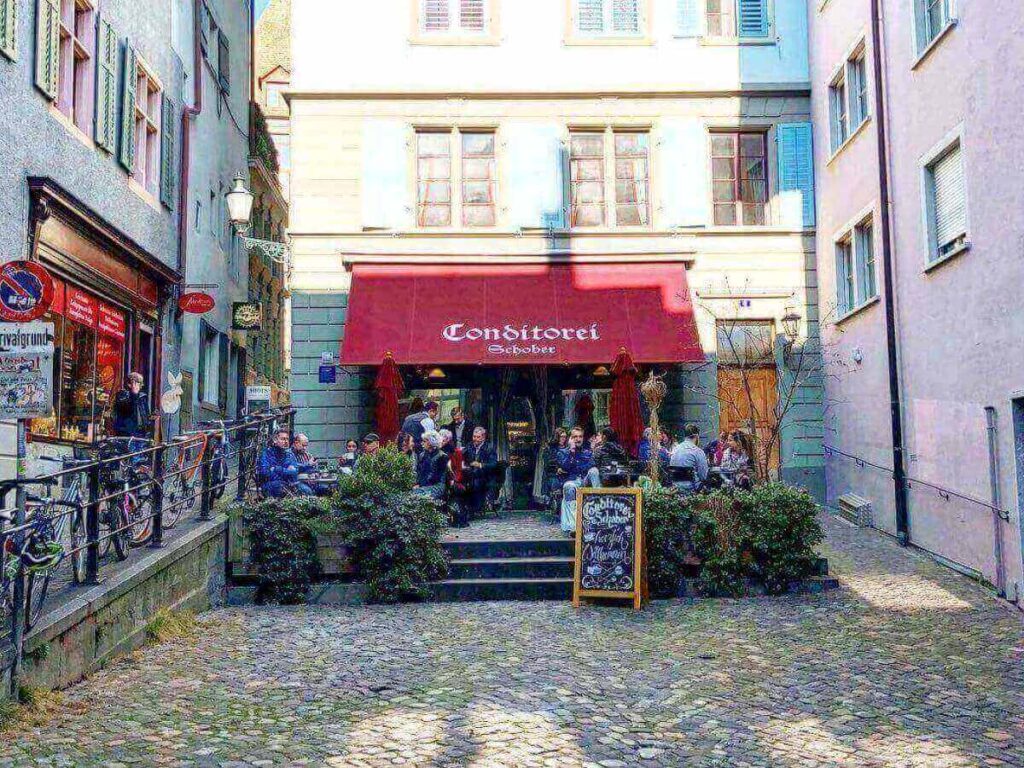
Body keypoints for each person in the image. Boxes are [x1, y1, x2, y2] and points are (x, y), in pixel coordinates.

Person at [557, 427, 598, 534]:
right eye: (575, 437)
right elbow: (565, 467)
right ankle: (574, 526)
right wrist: (572, 451)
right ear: (570, 439)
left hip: (585, 480)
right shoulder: (563, 452)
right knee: (568, 486)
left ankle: (600, 508)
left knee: (594, 471)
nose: (578, 439)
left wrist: (592, 452)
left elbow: (592, 465)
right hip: (573, 481)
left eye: (580, 436)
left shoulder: (587, 451)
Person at [258, 429, 314, 498]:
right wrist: (286, 471)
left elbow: (294, 471)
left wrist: (277, 469)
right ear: (275, 440)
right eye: (283, 439)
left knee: (308, 491)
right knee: (280, 487)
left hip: (288, 484)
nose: (286, 442)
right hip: (271, 486)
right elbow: (265, 472)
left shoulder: (288, 454)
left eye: (287, 439)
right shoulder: (267, 454)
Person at [462, 426, 497, 519]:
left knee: (475, 484)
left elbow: (493, 465)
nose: (475, 439)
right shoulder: (469, 446)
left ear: (483, 437)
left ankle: (473, 509)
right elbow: (463, 457)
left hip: (485, 476)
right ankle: (462, 509)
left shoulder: (489, 448)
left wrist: (480, 465)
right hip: (470, 474)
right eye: (474, 436)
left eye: (478, 437)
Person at [669, 424, 710, 495]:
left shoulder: (675, 449)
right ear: (697, 436)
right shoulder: (698, 452)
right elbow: (703, 476)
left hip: (675, 489)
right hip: (692, 491)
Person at [112, 372, 153, 439]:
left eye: (141, 383)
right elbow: (127, 408)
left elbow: (146, 414)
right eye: (138, 383)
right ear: (129, 384)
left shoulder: (142, 397)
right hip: (127, 434)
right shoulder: (122, 395)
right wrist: (134, 395)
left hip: (141, 433)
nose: (141, 385)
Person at [414, 430, 449, 500]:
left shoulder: (442, 456)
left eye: (424, 441)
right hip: (424, 484)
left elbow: (436, 476)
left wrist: (420, 485)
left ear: (431, 442)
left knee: (417, 495)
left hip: (437, 485)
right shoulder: (422, 455)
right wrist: (417, 483)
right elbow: (419, 472)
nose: (422, 443)